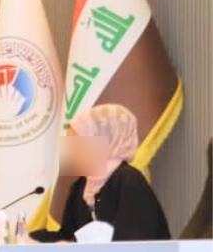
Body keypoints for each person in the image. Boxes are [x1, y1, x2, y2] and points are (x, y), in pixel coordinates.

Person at [32, 104, 170, 243]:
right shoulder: (81, 185)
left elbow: (134, 239)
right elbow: (69, 236)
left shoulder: (129, 180)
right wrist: (29, 238)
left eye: (77, 141)